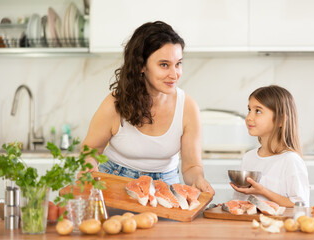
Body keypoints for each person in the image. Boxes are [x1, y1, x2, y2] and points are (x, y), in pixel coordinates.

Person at [81, 21, 214, 195]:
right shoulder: (115, 104)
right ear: (142, 66)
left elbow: (191, 166)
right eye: (164, 65)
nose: (174, 74)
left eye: (178, 63)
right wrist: (89, 164)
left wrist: (198, 180)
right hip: (115, 181)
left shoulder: (188, 107)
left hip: (165, 186)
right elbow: (90, 150)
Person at [230, 85, 309, 207]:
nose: (249, 117)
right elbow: (239, 202)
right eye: (249, 110)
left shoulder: (290, 160)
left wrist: (263, 191)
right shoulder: (248, 158)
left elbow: (301, 205)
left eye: (258, 111)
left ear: (281, 120)